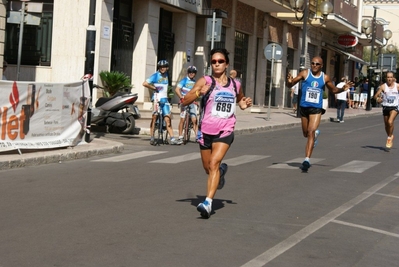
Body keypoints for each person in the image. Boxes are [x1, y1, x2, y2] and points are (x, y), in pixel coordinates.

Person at [182, 48, 252, 218]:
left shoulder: (235, 84)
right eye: (213, 61)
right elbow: (184, 101)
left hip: (225, 130)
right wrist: (199, 92)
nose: (217, 64)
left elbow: (241, 99)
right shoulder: (205, 81)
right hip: (205, 131)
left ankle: (207, 203)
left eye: (220, 61)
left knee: (213, 163)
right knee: (208, 168)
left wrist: (243, 104)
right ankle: (220, 171)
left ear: (226, 64)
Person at [286, 56, 352, 172]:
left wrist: (343, 89)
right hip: (304, 108)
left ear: (321, 66)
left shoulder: (325, 77)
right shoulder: (305, 73)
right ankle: (315, 135)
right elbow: (290, 84)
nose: (314, 65)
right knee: (306, 134)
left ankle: (307, 160)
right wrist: (288, 81)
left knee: (310, 131)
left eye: (317, 64)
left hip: (316, 109)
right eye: (312, 63)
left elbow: (333, 90)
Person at [142, 60, 182, 145]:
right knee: (154, 117)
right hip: (157, 99)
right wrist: (153, 88)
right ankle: (152, 137)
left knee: (168, 119)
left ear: (167, 68)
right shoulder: (155, 75)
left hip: (165, 100)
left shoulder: (168, 75)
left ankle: (172, 138)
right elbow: (144, 83)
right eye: (160, 67)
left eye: (164, 67)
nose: (162, 68)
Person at [373, 71, 399, 149]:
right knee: (386, 125)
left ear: (393, 78)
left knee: (390, 122)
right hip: (385, 106)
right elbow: (375, 96)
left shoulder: (397, 86)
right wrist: (378, 99)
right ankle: (390, 135)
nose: (389, 79)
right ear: (386, 78)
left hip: (395, 107)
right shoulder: (383, 86)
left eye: (391, 77)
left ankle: (388, 139)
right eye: (388, 77)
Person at [175, 66, 198, 141]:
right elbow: (177, 89)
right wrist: (181, 97)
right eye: (190, 72)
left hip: (192, 102)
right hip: (184, 102)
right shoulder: (184, 80)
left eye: (193, 72)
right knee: (182, 119)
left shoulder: (195, 82)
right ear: (188, 73)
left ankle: (197, 137)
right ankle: (180, 136)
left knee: (194, 120)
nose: (191, 74)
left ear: (195, 74)